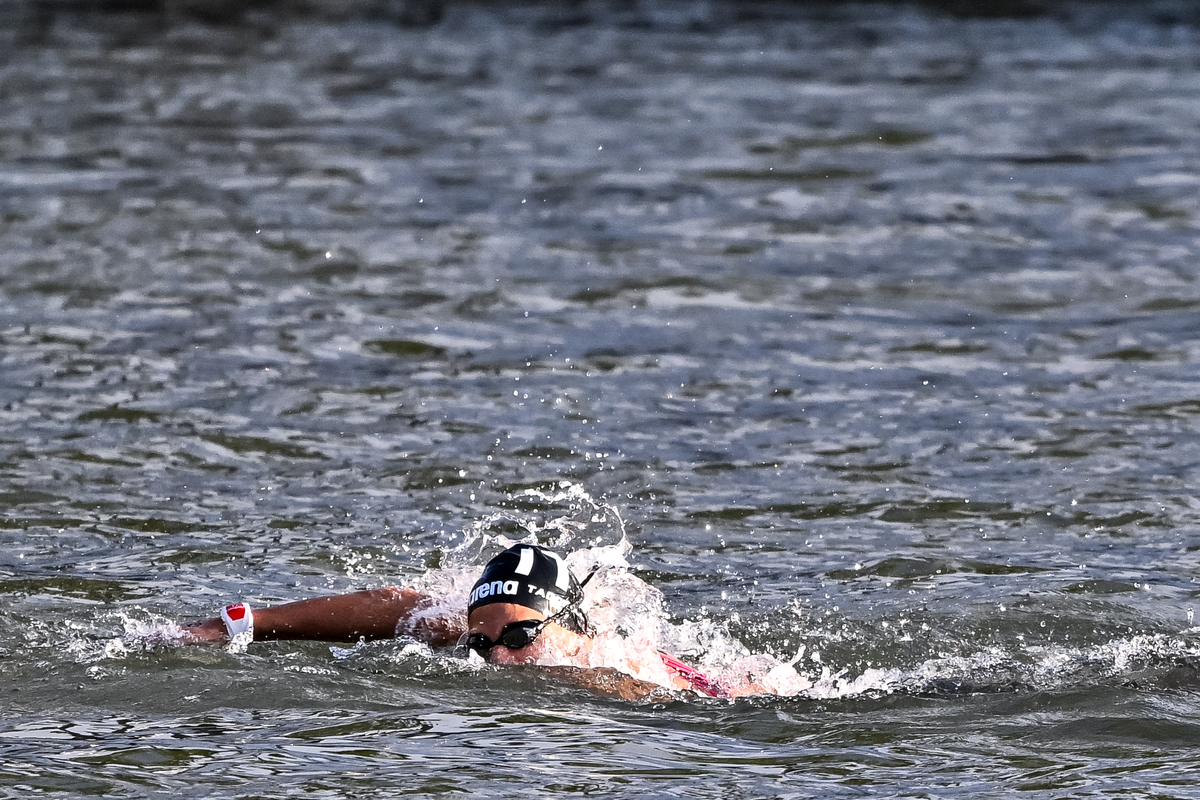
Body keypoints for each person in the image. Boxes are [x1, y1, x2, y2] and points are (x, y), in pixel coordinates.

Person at [181, 543, 750, 699]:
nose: (497, 656)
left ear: (562, 627)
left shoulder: (616, 661)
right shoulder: (460, 630)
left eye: (520, 637)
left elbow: (734, 698)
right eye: (482, 643)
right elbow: (392, 603)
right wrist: (236, 623)